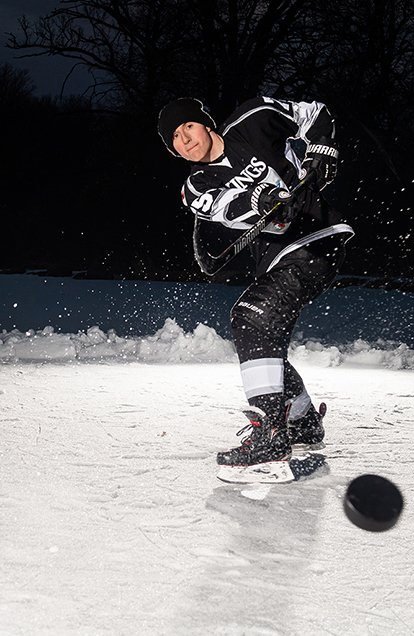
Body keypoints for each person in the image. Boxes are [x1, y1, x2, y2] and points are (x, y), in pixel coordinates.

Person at [157, 96, 353, 478]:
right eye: (175, 138)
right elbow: (227, 207)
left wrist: (321, 148)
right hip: (278, 255)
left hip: (316, 235)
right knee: (263, 339)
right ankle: (303, 420)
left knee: (250, 319)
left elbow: (313, 112)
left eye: (188, 128)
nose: (185, 140)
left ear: (206, 123)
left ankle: (271, 434)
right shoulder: (195, 187)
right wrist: (259, 199)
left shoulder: (254, 118)